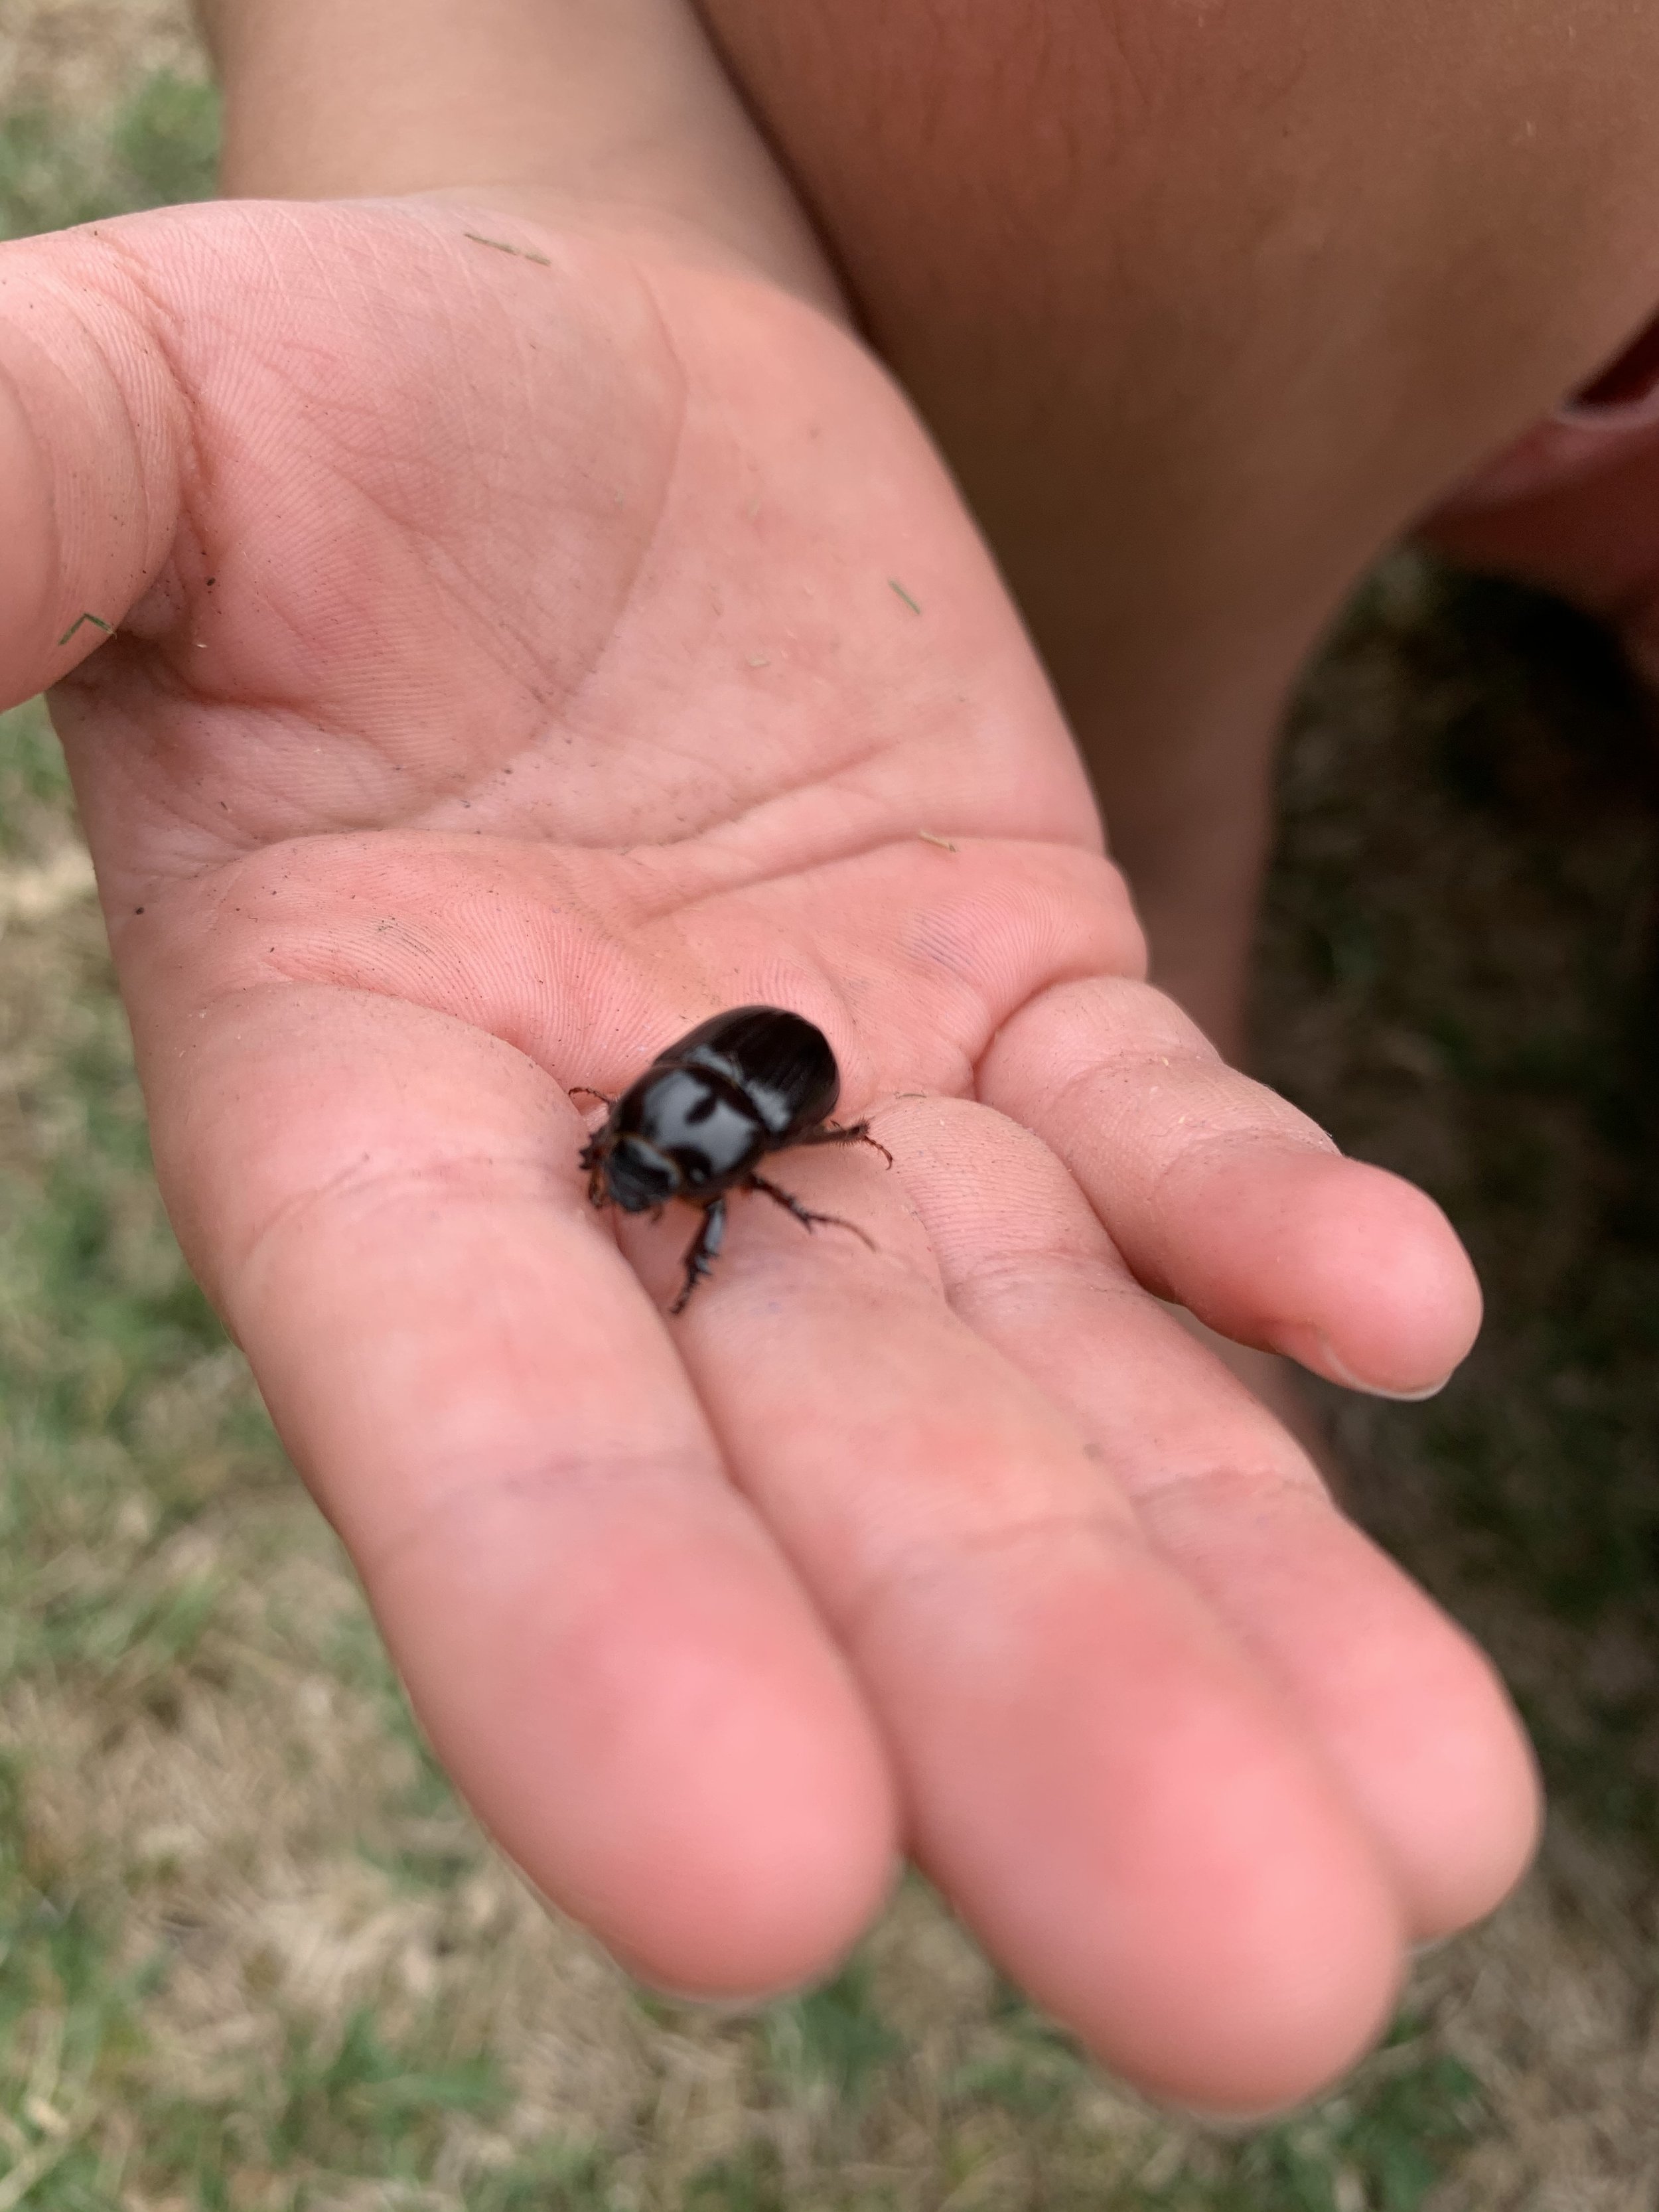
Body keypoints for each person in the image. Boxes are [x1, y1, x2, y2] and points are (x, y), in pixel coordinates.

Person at [19, 0, 1659, 2118]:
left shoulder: (702, 1143)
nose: (640, 1187)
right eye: (640, 1173)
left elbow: (744, 1130)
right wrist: (540, 141)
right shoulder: (682, 1134)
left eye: (643, 1175)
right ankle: (1162, 783)